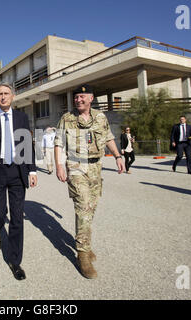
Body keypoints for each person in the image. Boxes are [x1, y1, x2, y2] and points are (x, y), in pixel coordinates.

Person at [54, 84, 125, 279]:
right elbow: (59, 142)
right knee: (83, 207)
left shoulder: (101, 117)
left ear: (91, 98)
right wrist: (59, 166)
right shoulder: (67, 118)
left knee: (91, 207)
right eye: (76, 97)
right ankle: (82, 254)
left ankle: (84, 242)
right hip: (76, 166)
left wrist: (118, 156)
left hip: (96, 167)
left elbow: (109, 138)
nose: (78, 100)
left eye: (82, 97)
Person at [0, 83, 37, 280]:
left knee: (17, 218)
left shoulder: (21, 117)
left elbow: (27, 143)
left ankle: (15, 261)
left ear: (13, 95)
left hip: (18, 171)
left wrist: (32, 169)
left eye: (6, 93)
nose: (3, 97)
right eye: (0, 94)